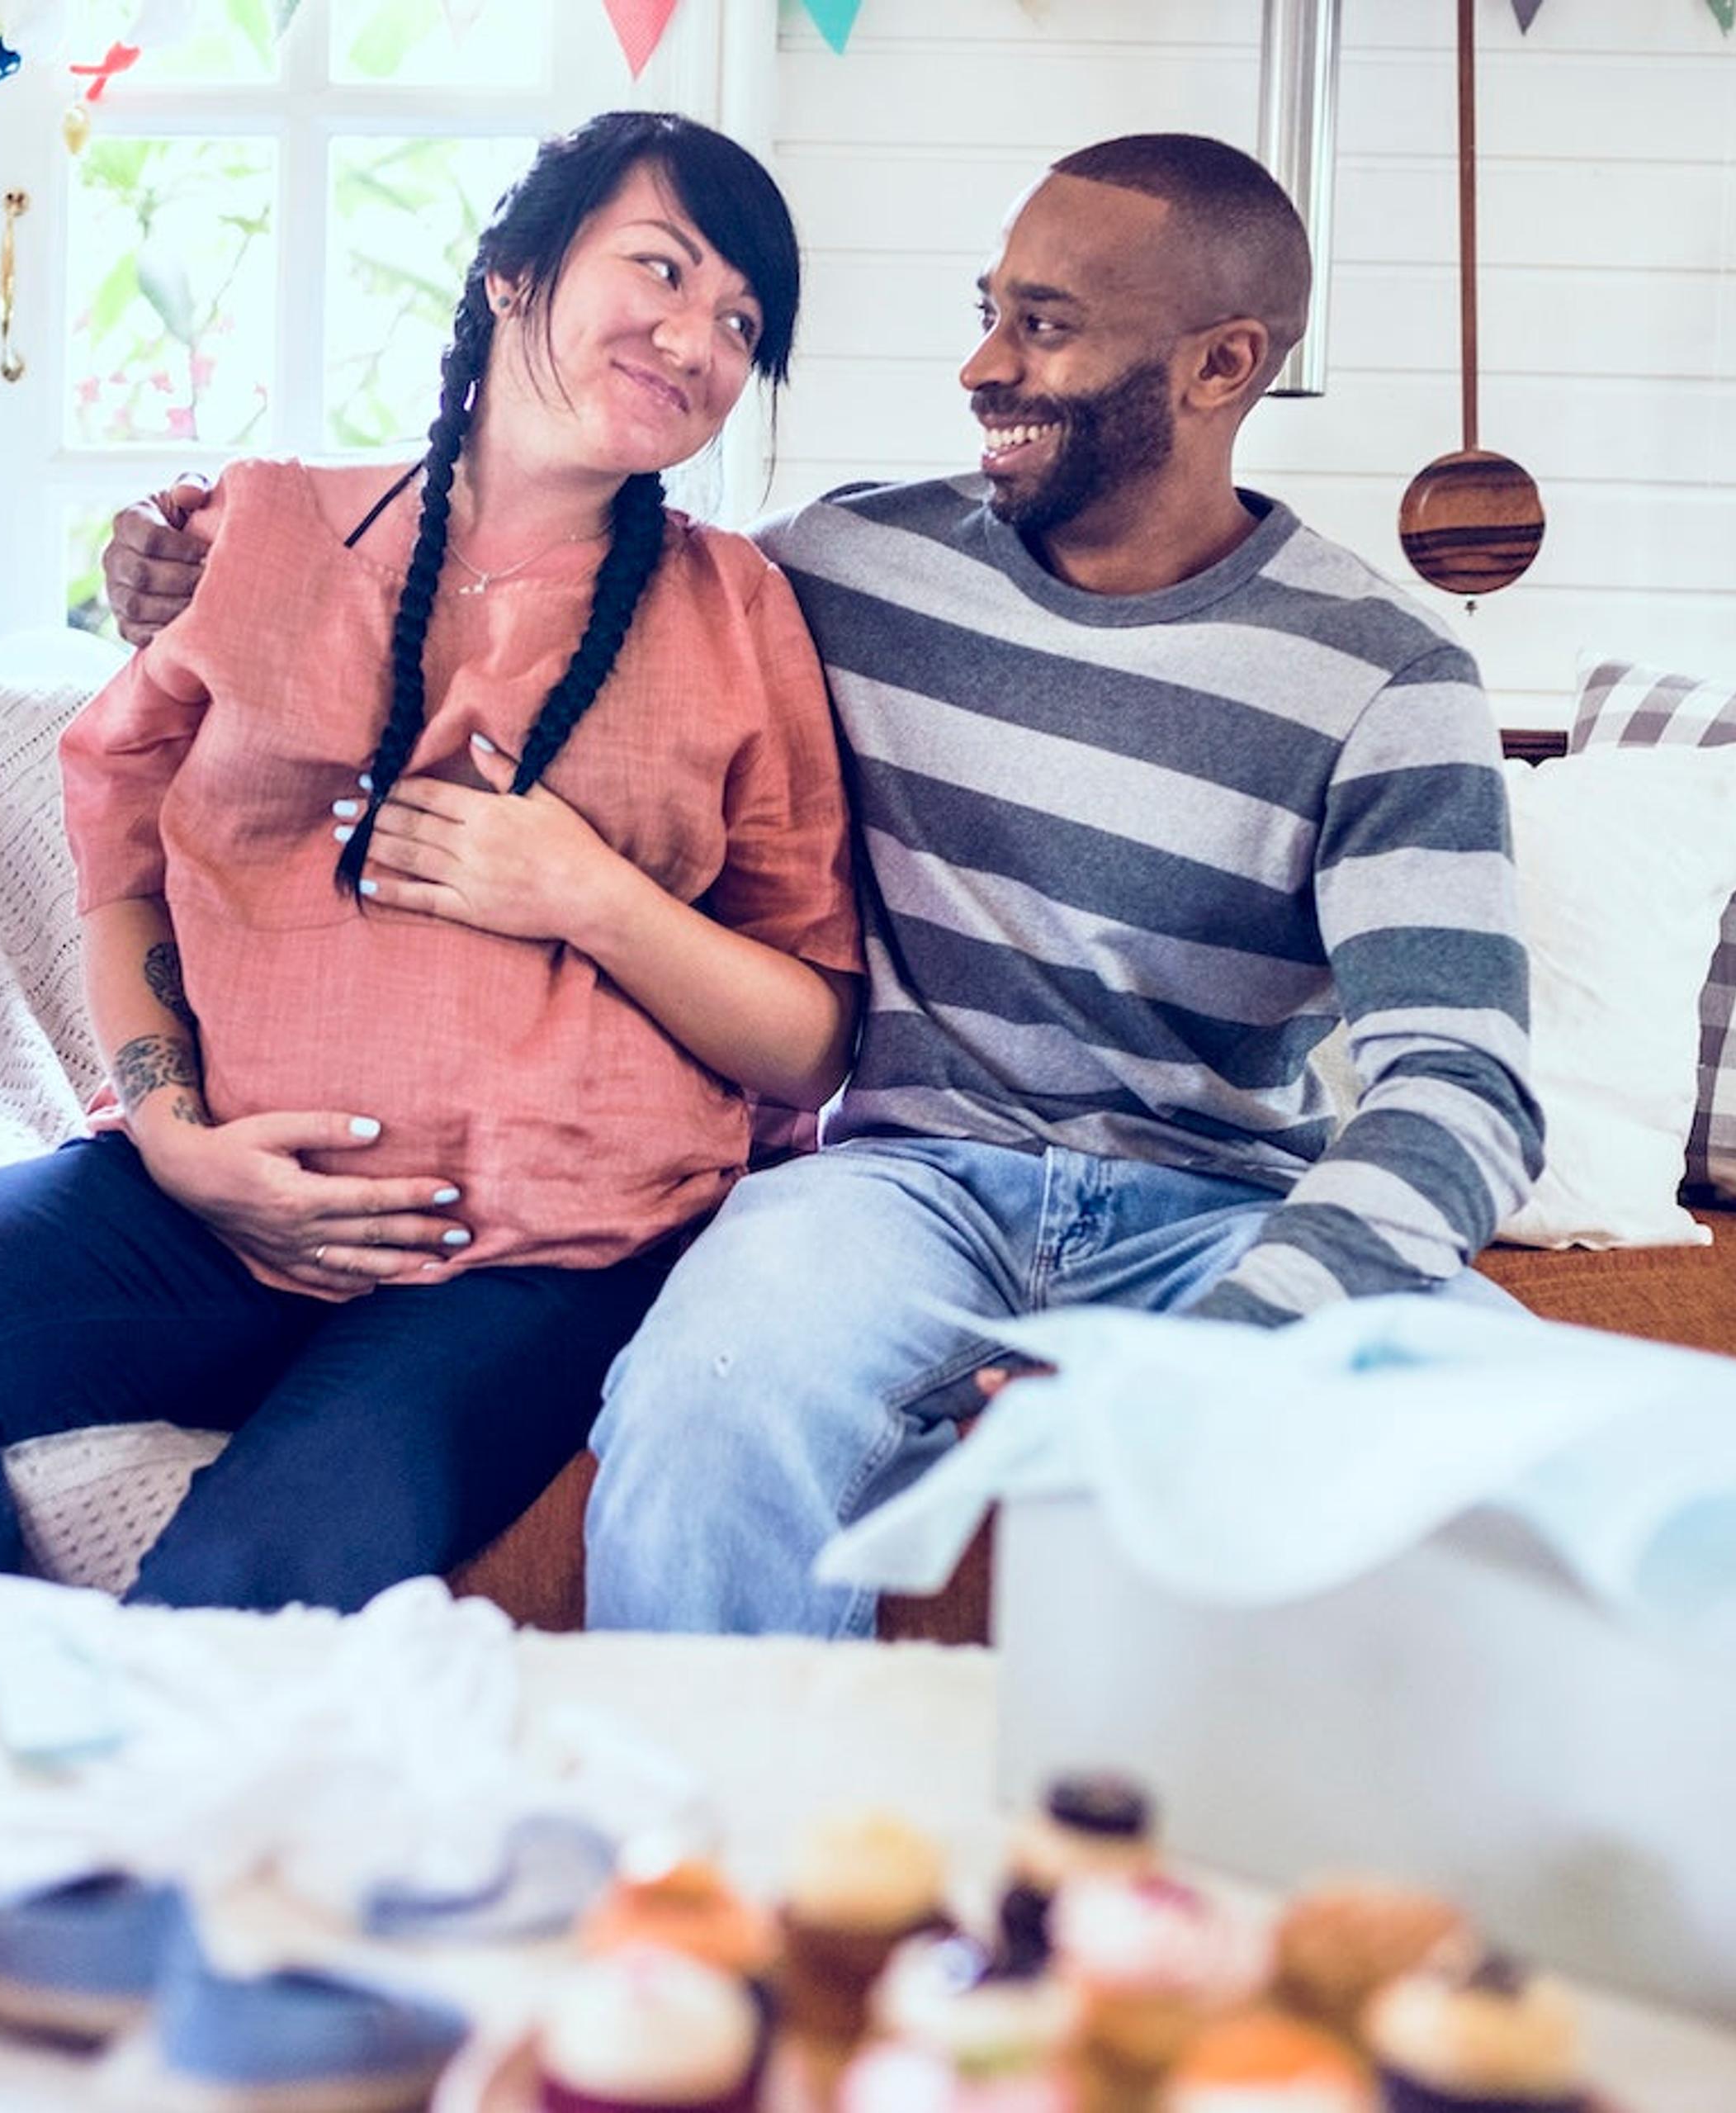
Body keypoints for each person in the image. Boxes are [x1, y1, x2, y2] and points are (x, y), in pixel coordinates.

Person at [97, 132, 1542, 1637]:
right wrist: (202, 557)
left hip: (1224, 1213)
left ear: (1220, 365)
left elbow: (1463, 1091)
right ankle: (713, 1793)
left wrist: (1242, 1345)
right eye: (987, 311)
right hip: (898, 1190)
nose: (981, 367)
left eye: (1043, 326)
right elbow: (558, 550)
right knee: (706, 1400)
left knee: (1524, 1445)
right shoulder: (847, 564)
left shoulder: (1385, 677)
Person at [0, 111, 863, 1612]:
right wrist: (176, 1142)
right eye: (662, 270)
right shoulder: (269, 528)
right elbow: (127, 870)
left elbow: (812, 1040)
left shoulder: (735, 607)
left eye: (742, 324)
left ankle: (111, 1768)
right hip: (215, 1215)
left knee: (247, 1584)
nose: (695, 340)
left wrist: (587, 894)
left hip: (538, 1260)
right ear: (513, 272)